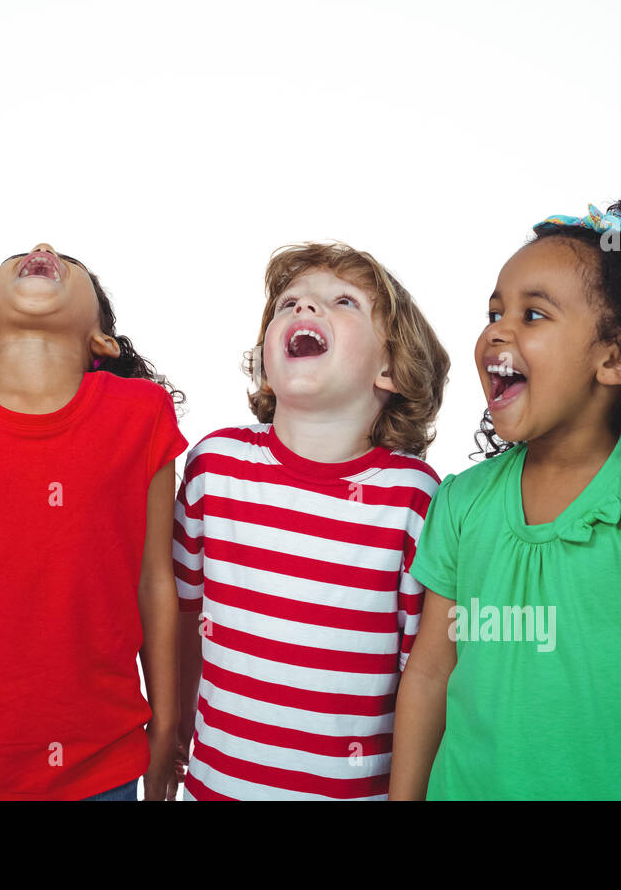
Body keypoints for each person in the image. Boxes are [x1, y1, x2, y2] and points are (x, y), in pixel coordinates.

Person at [390, 187, 621, 800]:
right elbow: (428, 673)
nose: (498, 333)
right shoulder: (460, 503)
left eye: (533, 315)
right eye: (494, 312)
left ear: (616, 359)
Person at [0, 242, 186, 801]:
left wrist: (168, 721)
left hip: (104, 761)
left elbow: (155, 581)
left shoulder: (142, 412)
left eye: (68, 261)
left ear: (102, 340)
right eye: (19, 253)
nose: (43, 248)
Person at [174, 241, 450, 799]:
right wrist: (176, 731)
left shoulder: (413, 498)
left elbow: (422, 675)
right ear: (266, 363)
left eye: (343, 302)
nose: (303, 309)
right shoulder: (215, 466)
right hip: (215, 787)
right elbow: (182, 614)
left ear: (391, 368)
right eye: (288, 303)